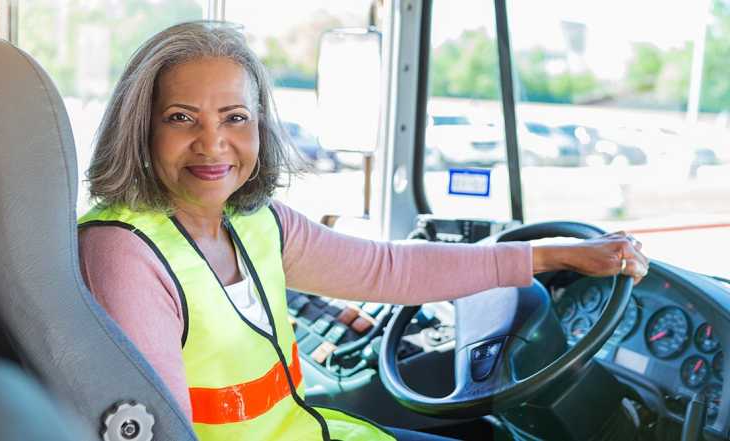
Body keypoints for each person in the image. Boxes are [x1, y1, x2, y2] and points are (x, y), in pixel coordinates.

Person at [77, 21, 649, 441]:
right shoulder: (124, 250)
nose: (213, 142)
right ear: (140, 129)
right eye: (181, 118)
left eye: (235, 117)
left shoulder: (253, 222)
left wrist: (548, 256)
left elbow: (388, 269)